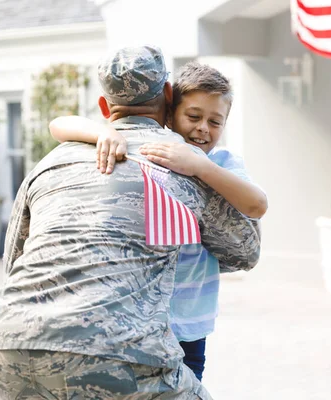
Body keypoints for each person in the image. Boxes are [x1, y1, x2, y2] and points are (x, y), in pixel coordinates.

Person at [0, 45, 261, 399]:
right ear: (169, 98)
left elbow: (14, 262)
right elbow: (244, 252)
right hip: (123, 357)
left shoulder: (49, 164)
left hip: (4, 348)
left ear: (104, 107)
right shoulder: (181, 162)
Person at [49, 61, 267, 381]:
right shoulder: (151, 147)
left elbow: (257, 204)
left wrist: (200, 167)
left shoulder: (222, 163)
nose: (203, 128)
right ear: (169, 111)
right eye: (193, 116)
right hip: (142, 319)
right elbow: (58, 125)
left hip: (191, 320)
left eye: (215, 121)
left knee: (188, 384)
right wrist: (102, 132)